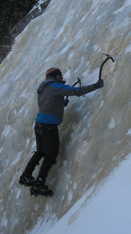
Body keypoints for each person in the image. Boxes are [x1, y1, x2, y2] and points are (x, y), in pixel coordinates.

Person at [19, 67, 104, 197]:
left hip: (39, 124)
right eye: (60, 75)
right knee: (50, 154)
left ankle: (26, 176)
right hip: (48, 125)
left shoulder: (43, 87)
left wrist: (61, 103)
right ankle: (39, 183)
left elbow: (46, 103)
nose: (62, 77)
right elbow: (76, 91)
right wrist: (96, 86)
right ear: (56, 76)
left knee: (41, 151)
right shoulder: (55, 86)